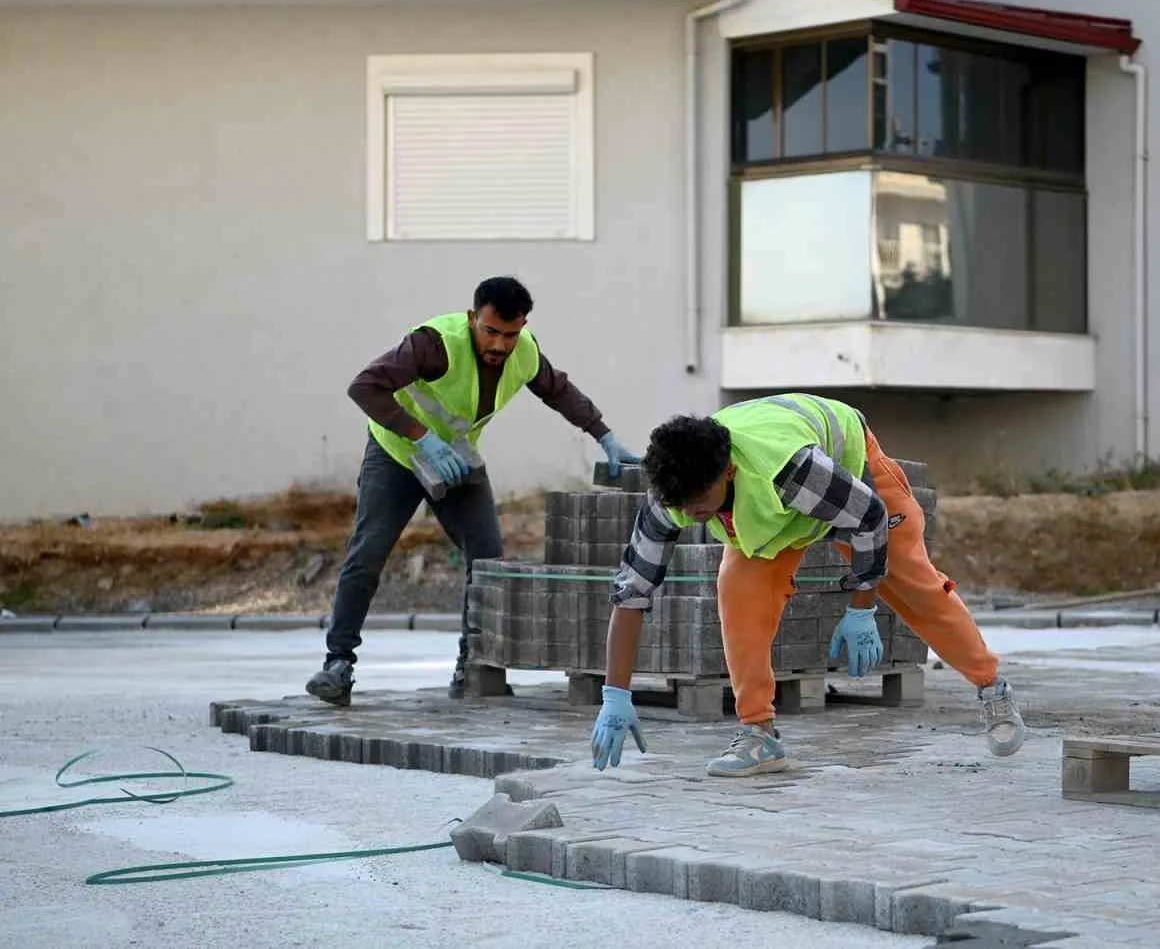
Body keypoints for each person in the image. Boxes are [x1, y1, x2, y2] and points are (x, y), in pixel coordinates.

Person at [588, 392, 1025, 777]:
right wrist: (616, 693)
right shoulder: (672, 494)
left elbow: (868, 518)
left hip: (848, 478)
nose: (690, 515)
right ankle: (759, 736)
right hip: (775, 516)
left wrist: (861, 608)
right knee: (738, 597)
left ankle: (992, 687)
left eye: (699, 504)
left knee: (914, 584)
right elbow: (631, 592)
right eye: (681, 506)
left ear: (729, 471)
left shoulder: (793, 470)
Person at [305, 276, 638, 706]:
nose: (500, 345)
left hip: (459, 460)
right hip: (397, 455)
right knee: (367, 554)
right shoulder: (434, 343)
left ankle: (471, 666)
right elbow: (364, 386)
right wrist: (420, 436)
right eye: (491, 331)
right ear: (472, 318)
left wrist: (604, 435)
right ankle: (338, 665)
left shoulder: (525, 352)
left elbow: (558, 391)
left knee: (487, 560)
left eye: (511, 334)